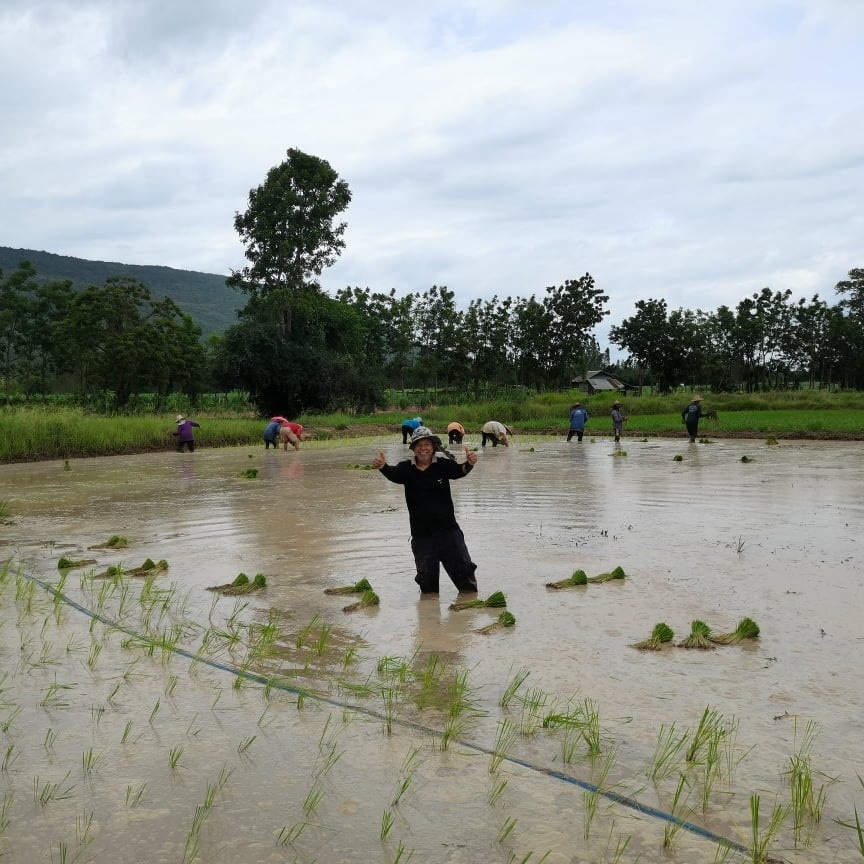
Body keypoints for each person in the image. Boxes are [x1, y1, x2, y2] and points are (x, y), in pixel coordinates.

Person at [372, 426, 479, 595]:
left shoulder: (443, 465)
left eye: (427, 444)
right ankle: (430, 619)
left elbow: (459, 471)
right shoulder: (406, 469)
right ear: (413, 448)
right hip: (422, 537)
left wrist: (469, 464)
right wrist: (383, 466)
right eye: (419, 445)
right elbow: (393, 474)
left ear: (433, 447)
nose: (423, 448)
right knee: (428, 589)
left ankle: (468, 610)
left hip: (449, 533)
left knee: (466, 582)